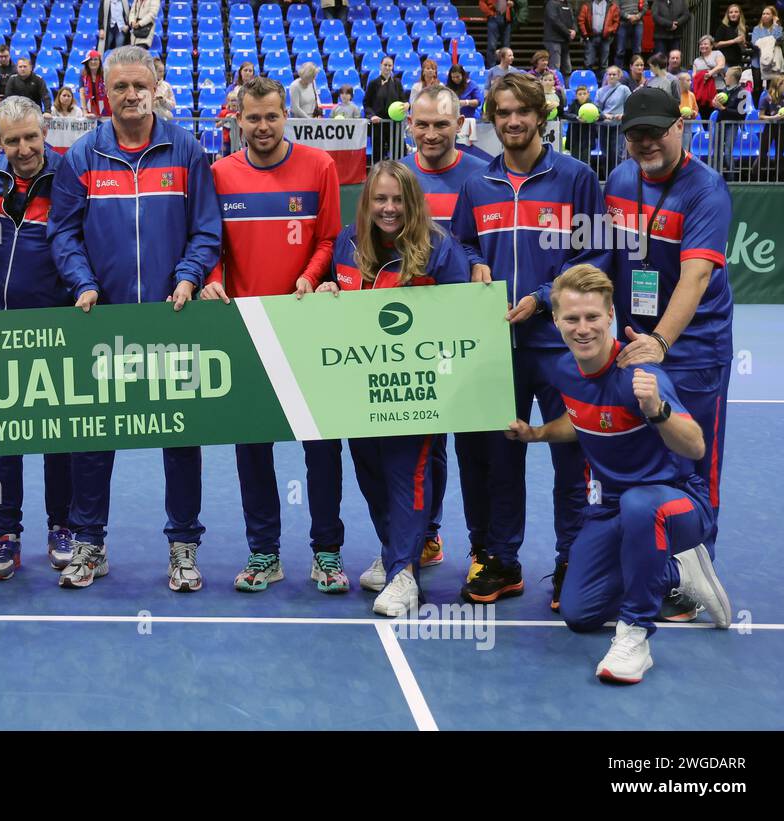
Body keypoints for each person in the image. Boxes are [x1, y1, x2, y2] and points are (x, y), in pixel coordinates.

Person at [47, 45, 221, 590]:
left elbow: (207, 229)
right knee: (94, 438)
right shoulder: (83, 155)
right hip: (105, 322)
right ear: (107, 91)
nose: (129, 95)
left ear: (155, 87)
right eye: (118, 86)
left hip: (173, 320)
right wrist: (84, 283)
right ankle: (89, 543)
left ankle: (184, 547)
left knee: (179, 437)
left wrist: (189, 276)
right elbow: (63, 232)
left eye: (138, 85)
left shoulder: (186, 150)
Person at [508, 264, 731, 682]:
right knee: (579, 613)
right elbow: (581, 420)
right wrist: (537, 433)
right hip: (609, 508)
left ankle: (635, 636)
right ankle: (679, 573)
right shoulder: (563, 370)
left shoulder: (641, 377)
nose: (583, 328)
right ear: (555, 320)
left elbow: (696, 446)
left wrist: (657, 411)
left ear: (610, 316)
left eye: (593, 317)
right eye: (571, 318)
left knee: (640, 505)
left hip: (676, 501)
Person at [450, 72, 607, 609]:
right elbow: (463, 246)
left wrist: (542, 298)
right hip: (496, 350)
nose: (513, 121)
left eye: (522, 112)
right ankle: (502, 560)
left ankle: (572, 560)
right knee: (502, 457)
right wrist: (473, 267)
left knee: (572, 455)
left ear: (541, 116)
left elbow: (593, 257)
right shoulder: (477, 184)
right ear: (491, 118)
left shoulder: (576, 178)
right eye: (502, 113)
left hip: (564, 347)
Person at [199, 76, 342, 593]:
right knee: (252, 450)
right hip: (245, 330)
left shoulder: (320, 166)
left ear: (286, 116)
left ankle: (327, 552)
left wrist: (313, 274)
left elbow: (328, 236)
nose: (262, 126)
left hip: (306, 328)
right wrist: (212, 282)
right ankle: (264, 553)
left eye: (271, 116)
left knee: (321, 447)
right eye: (252, 118)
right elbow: (209, 245)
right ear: (238, 119)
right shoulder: (218, 174)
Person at [310, 161, 471, 614]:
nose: (389, 208)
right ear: (367, 202)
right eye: (380, 199)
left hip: (416, 392)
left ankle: (404, 573)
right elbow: (336, 304)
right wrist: (327, 293)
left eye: (398, 199)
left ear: (412, 202)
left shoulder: (439, 249)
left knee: (407, 474)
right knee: (371, 473)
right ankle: (392, 551)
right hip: (358, 389)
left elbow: (462, 320)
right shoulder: (347, 243)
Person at [604, 88, 736, 609]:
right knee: (641, 456)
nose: (646, 142)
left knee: (696, 461)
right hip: (637, 346)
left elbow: (697, 275)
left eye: (656, 131)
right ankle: (649, 563)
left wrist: (662, 340)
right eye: (636, 134)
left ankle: (697, 566)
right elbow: (612, 258)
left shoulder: (706, 190)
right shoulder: (618, 180)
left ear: (680, 126)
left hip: (693, 349)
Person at [0, 96, 76, 578]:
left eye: (32, 136)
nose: (25, 148)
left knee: (59, 438)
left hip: (58, 326)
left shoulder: (69, 173)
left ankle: (62, 525)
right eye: (13, 140)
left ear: (44, 128)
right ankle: (5, 534)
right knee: (2, 439)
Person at [395, 85, 491, 569]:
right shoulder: (395, 176)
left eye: (441, 124)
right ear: (409, 124)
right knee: (422, 447)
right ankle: (425, 537)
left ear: (460, 125)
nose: (431, 133)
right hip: (409, 336)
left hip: (469, 334)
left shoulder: (483, 175)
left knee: (477, 449)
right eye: (423, 124)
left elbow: (483, 248)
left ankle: (485, 548)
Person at [363, 55, 404, 162]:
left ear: (393, 67)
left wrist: (407, 105)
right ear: (380, 66)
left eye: (390, 65)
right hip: (378, 125)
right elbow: (366, 104)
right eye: (385, 65)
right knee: (378, 155)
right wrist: (372, 116)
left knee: (398, 154)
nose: (387, 67)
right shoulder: (373, 84)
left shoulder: (397, 83)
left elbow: (403, 101)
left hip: (395, 125)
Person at [755, 74, 784, 178]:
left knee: (780, 154)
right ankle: (754, 176)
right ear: (778, 85)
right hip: (769, 128)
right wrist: (773, 118)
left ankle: (779, 178)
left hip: (781, 128)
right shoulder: (766, 98)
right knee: (763, 153)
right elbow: (760, 116)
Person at [596, 64, 633, 164]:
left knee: (617, 153)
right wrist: (604, 116)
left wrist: (623, 115)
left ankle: (617, 177)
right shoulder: (600, 91)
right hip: (604, 126)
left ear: (619, 76)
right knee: (604, 153)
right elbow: (596, 109)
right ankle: (607, 177)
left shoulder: (624, 89)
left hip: (618, 126)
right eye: (609, 74)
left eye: (614, 74)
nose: (611, 76)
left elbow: (630, 105)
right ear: (606, 76)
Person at [581, 0, 620, 71]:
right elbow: (581, 21)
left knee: (604, 64)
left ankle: (603, 81)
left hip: (605, 38)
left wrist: (611, 32)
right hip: (590, 37)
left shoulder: (612, 6)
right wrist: (585, 35)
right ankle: (589, 81)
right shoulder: (587, 5)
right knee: (588, 63)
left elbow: (616, 22)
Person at [565, 83, 599, 161]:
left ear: (588, 95)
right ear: (576, 95)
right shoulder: (573, 104)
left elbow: (601, 115)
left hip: (587, 138)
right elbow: (566, 114)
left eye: (584, 93)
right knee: (574, 160)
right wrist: (576, 118)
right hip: (574, 138)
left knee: (585, 160)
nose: (582, 96)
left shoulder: (592, 105)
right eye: (580, 94)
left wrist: (597, 117)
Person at [544, 0, 579, 75]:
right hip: (554, 39)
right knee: (555, 67)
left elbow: (573, 19)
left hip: (565, 40)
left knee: (567, 68)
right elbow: (554, 20)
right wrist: (568, 32)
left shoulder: (568, 4)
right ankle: (555, 85)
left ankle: (566, 86)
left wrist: (574, 30)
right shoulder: (551, 3)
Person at [714, 4, 747, 69]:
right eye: (731, 12)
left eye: (736, 12)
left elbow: (743, 48)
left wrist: (743, 44)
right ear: (728, 15)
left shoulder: (743, 28)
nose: (733, 14)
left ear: (740, 14)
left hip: (738, 61)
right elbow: (716, 44)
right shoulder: (723, 27)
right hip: (724, 61)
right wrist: (734, 41)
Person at [79, 50, 109, 117]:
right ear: (87, 62)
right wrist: (85, 111)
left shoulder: (106, 74)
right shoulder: (82, 74)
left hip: (106, 109)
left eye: (96, 59)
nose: (93, 62)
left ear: (99, 62)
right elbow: (82, 94)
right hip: (90, 109)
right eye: (90, 60)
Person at [616, 0, 645, 69]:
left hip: (638, 22)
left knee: (637, 51)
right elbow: (616, 7)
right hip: (623, 23)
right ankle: (618, 74)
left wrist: (638, 16)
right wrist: (628, 16)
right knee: (620, 51)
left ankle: (637, 72)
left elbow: (645, 6)